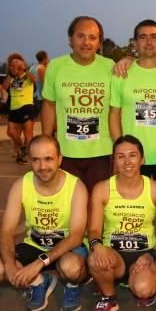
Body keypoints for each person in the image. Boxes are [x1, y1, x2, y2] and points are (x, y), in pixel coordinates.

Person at [0, 135, 89, 311]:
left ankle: (73, 285)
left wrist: (39, 263)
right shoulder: (21, 185)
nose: (42, 167)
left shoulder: (76, 187)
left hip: (67, 248)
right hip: (36, 244)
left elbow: (76, 236)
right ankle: (39, 282)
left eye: (48, 159)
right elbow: (6, 230)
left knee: (71, 268)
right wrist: (10, 265)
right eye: (35, 160)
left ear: (59, 159)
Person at [86, 135, 156, 311]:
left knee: (143, 290)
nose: (127, 162)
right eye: (121, 156)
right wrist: (97, 247)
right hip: (114, 255)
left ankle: (142, 279)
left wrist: (152, 255)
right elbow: (94, 230)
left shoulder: (155, 189)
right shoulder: (102, 189)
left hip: (145, 253)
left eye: (133, 155)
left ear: (142, 159)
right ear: (114, 160)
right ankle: (109, 297)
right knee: (95, 258)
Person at [41, 16, 115, 192]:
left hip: (101, 153)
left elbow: (115, 110)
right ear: (70, 39)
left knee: (97, 208)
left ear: (99, 43)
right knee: (70, 208)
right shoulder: (55, 67)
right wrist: (46, 143)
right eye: (80, 36)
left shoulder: (110, 67)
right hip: (66, 152)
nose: (86, 42)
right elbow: (49, 105)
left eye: (92, 37)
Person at [109, 19, 156, 182]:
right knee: (135, 206)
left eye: (154, 36)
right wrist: (120, 149)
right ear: (135, 42)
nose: (149, 41)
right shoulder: (121, 73)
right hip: (133, 157)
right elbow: (114, 114)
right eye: (143, 37)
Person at [1, 53, 38, 163]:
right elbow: (3, 88)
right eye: (12, 63)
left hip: (27, 106)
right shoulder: (11, 78)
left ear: (22, 63)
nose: (14, 64)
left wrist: (25, 69)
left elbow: (34, 79)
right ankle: (22, 148)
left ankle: (27, 156)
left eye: (17, 62)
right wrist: (11, 75)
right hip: (14, 108)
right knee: (11, 132)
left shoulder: (27, 76)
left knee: (28, 134)